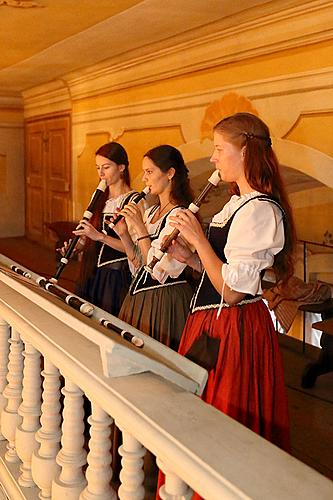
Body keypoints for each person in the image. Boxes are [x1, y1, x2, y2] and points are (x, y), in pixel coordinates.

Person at [165, 112, 296, 463]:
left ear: (245, 153)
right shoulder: (237, 204)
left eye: (219, 148)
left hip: (235, 328)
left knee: (224, 431)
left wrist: (198, 239)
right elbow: (223, 271)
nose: (212, 157)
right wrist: (191, 258)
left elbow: (234, 292)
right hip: (212, 323)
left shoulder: (260, 211)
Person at [116, 144, 195, 351]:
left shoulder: (181, 216)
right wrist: (124, 233)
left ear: (170, 173)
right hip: (140, 298)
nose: (144, 179)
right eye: (144, 172)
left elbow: (157, 270)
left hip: (165, 302)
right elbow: (138, 265)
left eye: (149, 172)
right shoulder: (151, 213)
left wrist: (140, 228)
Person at [66, 141, 140, 316]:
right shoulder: (99, 196)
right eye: (97, 167)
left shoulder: (133, 201)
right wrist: (79, 245)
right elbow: (92, 232)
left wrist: (99, 236)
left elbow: (135, 250)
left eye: (106, 167)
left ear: (121, 167)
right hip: (92, 271)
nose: (100, 173)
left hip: (114, 277)